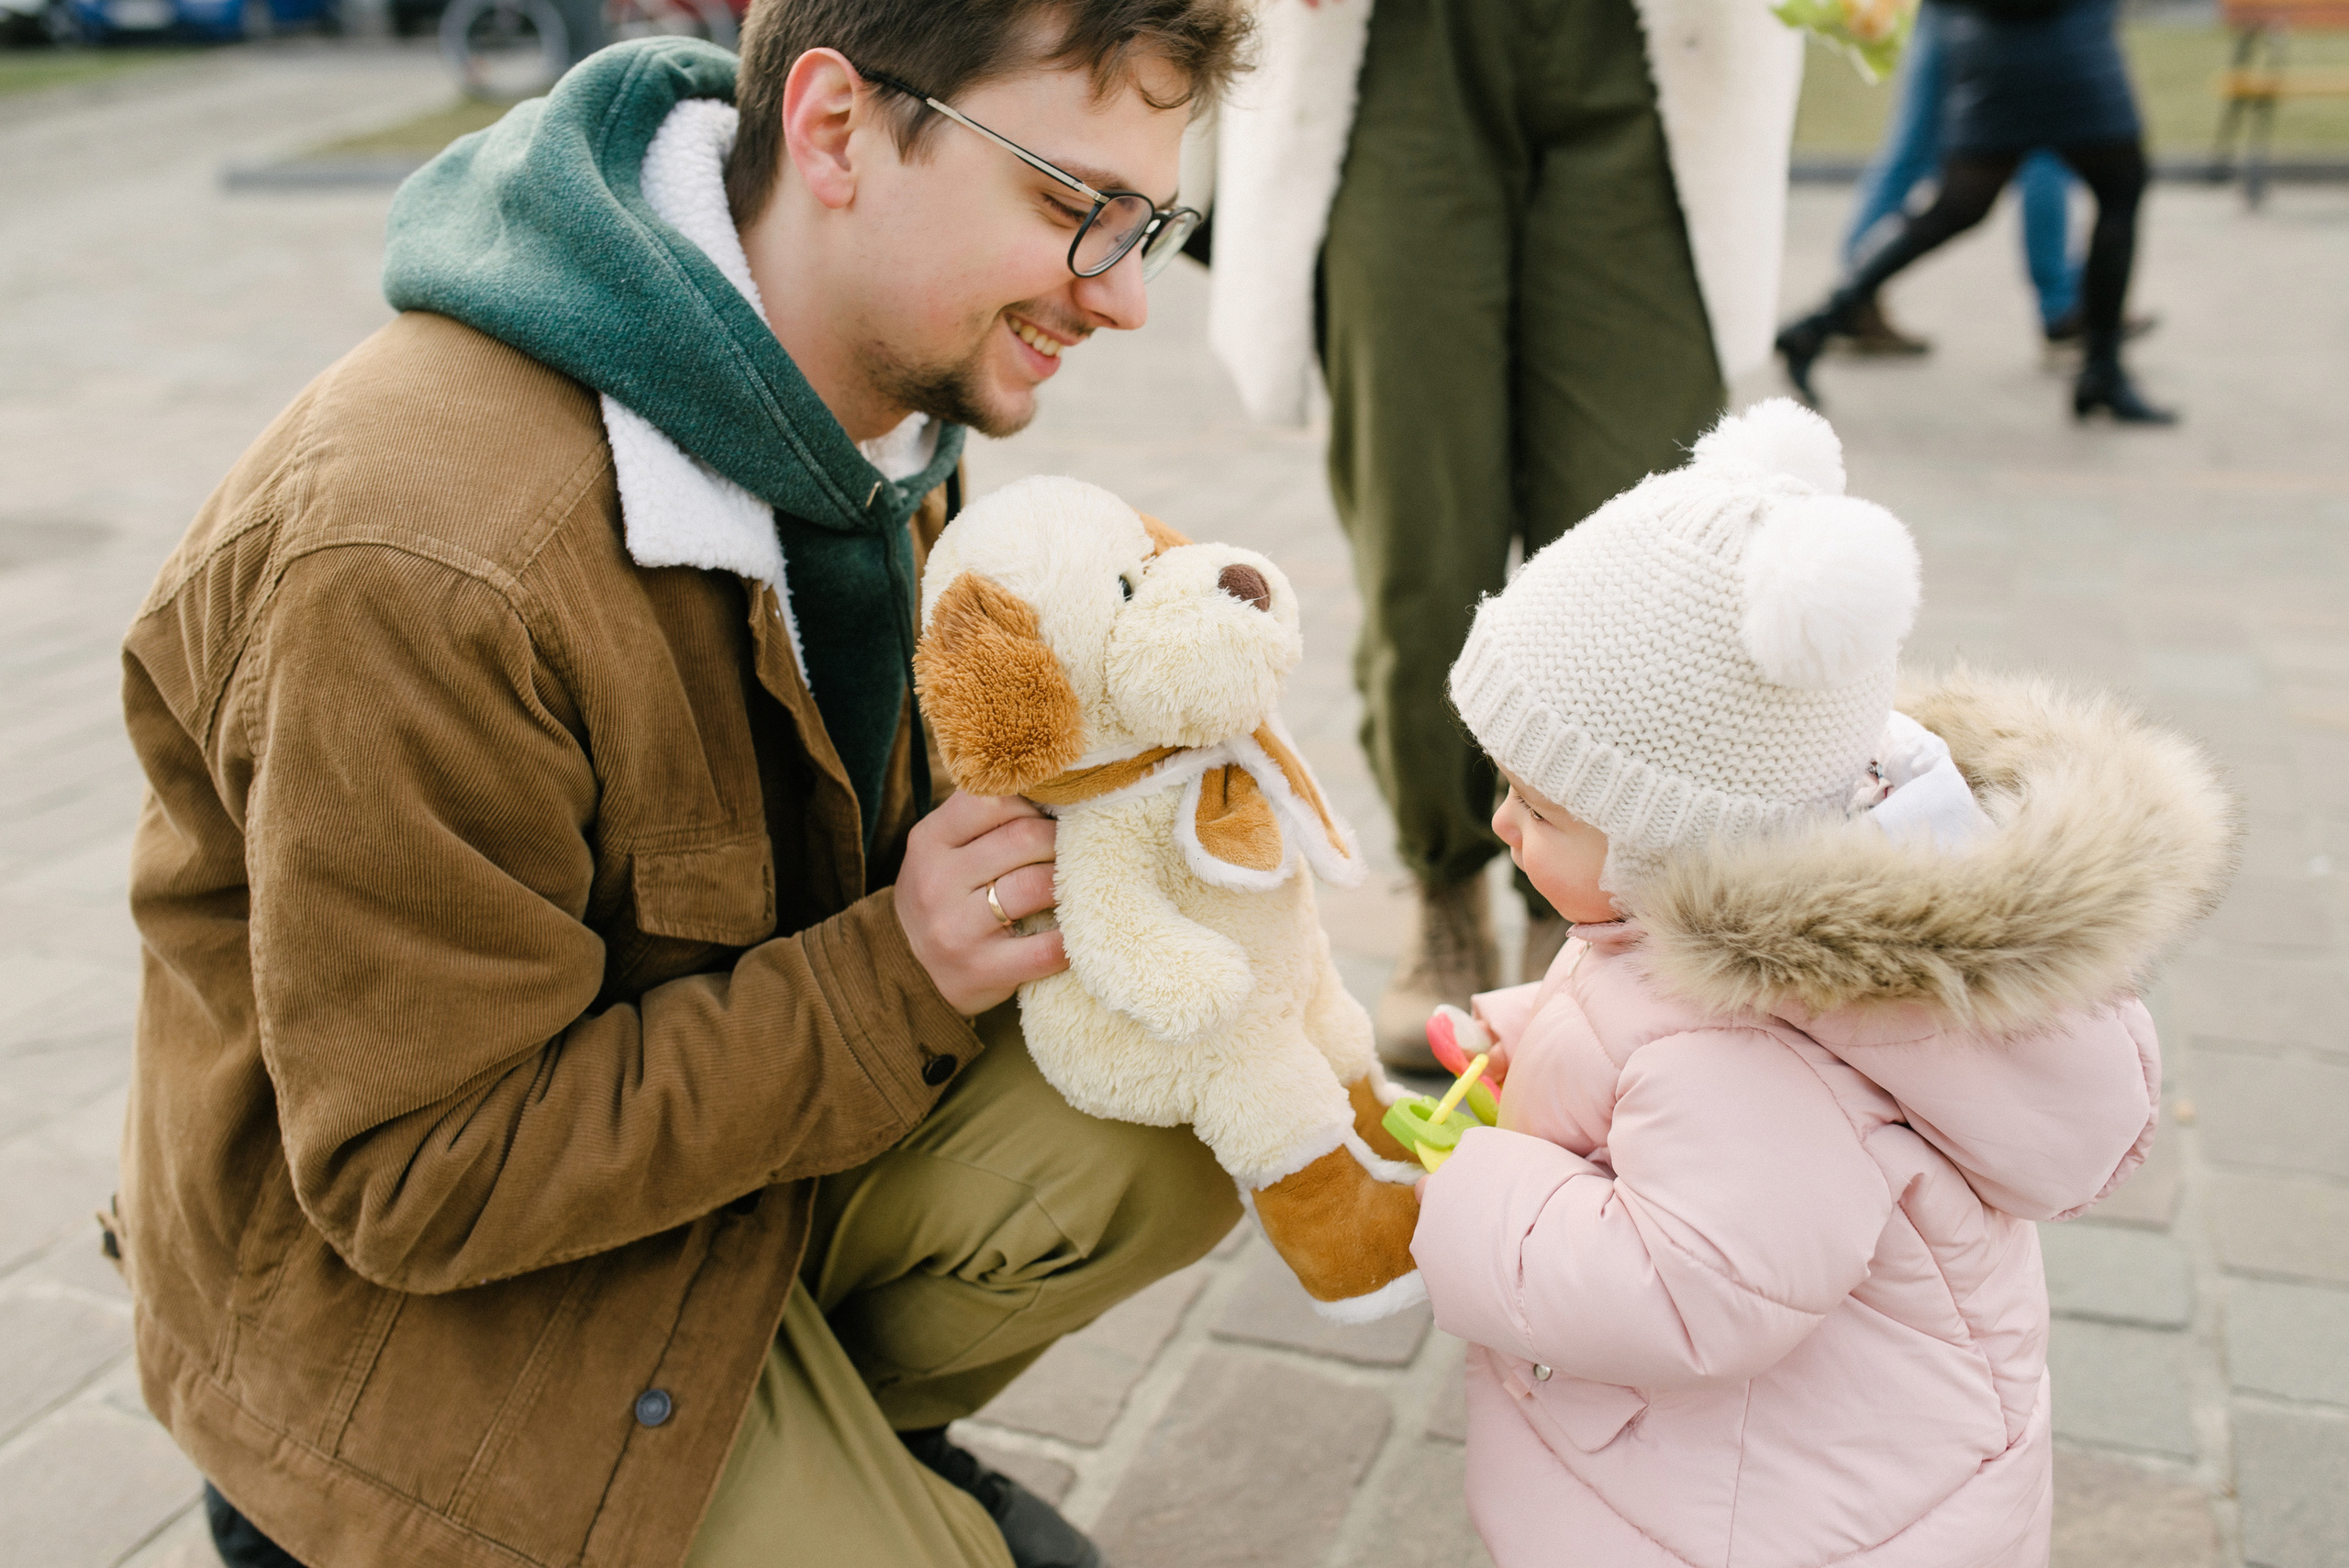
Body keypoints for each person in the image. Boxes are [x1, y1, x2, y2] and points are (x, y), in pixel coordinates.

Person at [113, 6, 1250, 1567]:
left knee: (1183, 1092)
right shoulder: (422, 552)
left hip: (695, 1166)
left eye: (1150, 223)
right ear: (836, 128)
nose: (1123, 294)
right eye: (1072, 204)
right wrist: (897, 971)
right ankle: (359, 1516)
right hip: (400, 1318)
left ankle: (815, 1432)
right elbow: (413, 1180)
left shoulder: (883, 384)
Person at [1411, 399, 2233, 1565]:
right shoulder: (1717, 937)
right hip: (1812, 1474)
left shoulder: (1746, 1051)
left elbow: (1688, 1289)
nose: (1501, 823)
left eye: (1536, 806)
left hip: (1769, 1524)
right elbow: (1633, 1018)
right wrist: (1538, 1032)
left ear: (1675, 840)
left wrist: (1472, 1190)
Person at [1202, 0, 1806, 1068]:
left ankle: (1586, 915)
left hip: (1650, 42)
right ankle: (1445, 887)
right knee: (1423, 540)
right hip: (1402, 47)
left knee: (1638, 546)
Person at [1776, 0, 2175, 422]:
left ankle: (1819, 323)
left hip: (1989, 43)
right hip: (2064, 45)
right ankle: (2100, 366)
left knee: (1958, 206)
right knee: (2116, 188)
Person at [1835, 0, 2084, 354]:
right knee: (2045, 146)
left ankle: (1852, 294)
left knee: (1914, 147)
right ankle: (2062, 307)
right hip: (2012, 18)